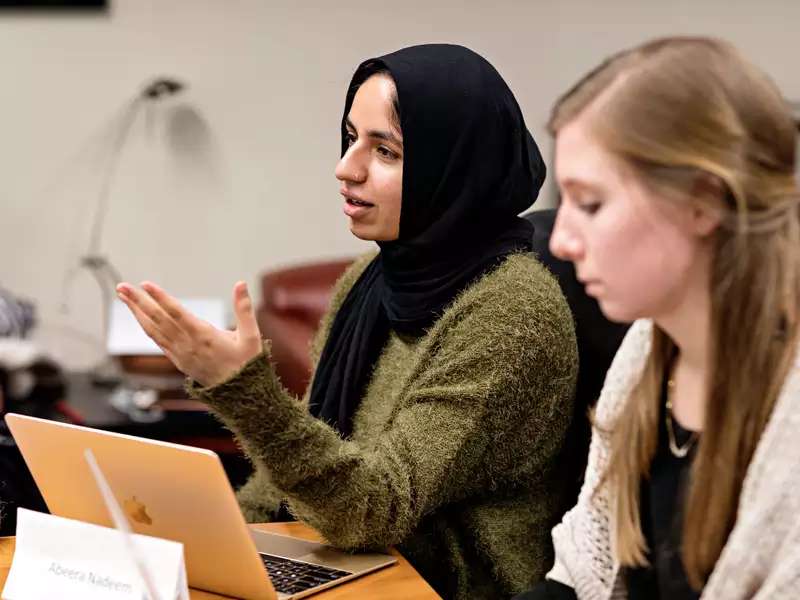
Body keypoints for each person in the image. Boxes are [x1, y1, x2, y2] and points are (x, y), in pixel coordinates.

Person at [116, 44, 579, 599]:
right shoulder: (370, 278)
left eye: (385, 151)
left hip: (443, 584)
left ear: (453, 168)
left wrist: (242, 391)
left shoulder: (511, 313)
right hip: (346, 559)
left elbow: (372, 510)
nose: (345, 168)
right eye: (349, 137)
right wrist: (215, 550)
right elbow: (288, 477)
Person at [514, 37, 800, 600]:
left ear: (704, 201)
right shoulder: (649, 345)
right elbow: (581, 572)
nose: (562, 240)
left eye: (590, 204)